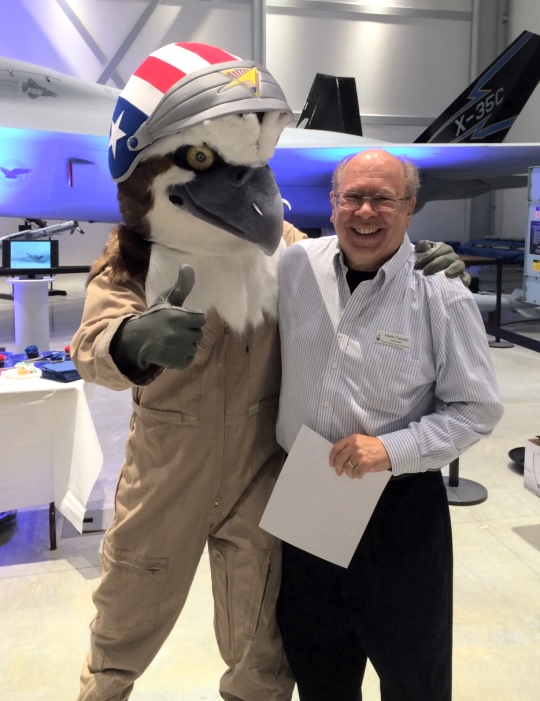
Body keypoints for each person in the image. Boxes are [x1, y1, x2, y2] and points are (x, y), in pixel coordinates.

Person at [275, 149, 504, 701]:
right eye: (352, 196)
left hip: (397, 507)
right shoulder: (294, 267)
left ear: (410, 208)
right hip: (308, 493)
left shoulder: (442, 293)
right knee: (318, 663)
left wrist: (391, 449)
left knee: (413, 674)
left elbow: (478, 408)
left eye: (384, 198)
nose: (366, 212)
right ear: (332, 205)